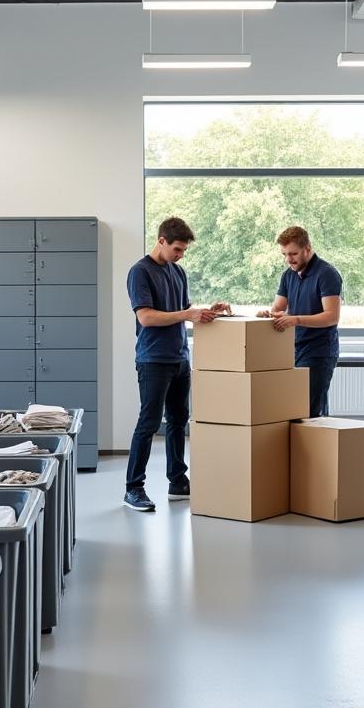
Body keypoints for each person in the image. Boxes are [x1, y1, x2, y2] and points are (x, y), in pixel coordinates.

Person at [124, 217, 231, 512]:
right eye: (177, 249)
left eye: (184, 250)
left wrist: (207, 312)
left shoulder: (178, 271)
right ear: (161, 241)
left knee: (178, 421)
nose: (181, 255)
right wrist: (187, 315)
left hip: (180, 358)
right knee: (149, 423)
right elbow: (146, 317)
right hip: (153, 359)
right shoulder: (140, 272)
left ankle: (177, 482)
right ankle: (133, 488)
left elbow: (184, 311)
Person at [256, 225, 343, 418]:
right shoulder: (288, 275)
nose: (289, 260)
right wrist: (267, 315)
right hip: (293, 349)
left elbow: (331, 316)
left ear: (307, 249)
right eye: (284, 254)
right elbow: (278, 308)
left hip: (319, 352)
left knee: (307, 412)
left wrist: (295, 319)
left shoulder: (326, 274)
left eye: (293, 254)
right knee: (291, 410)